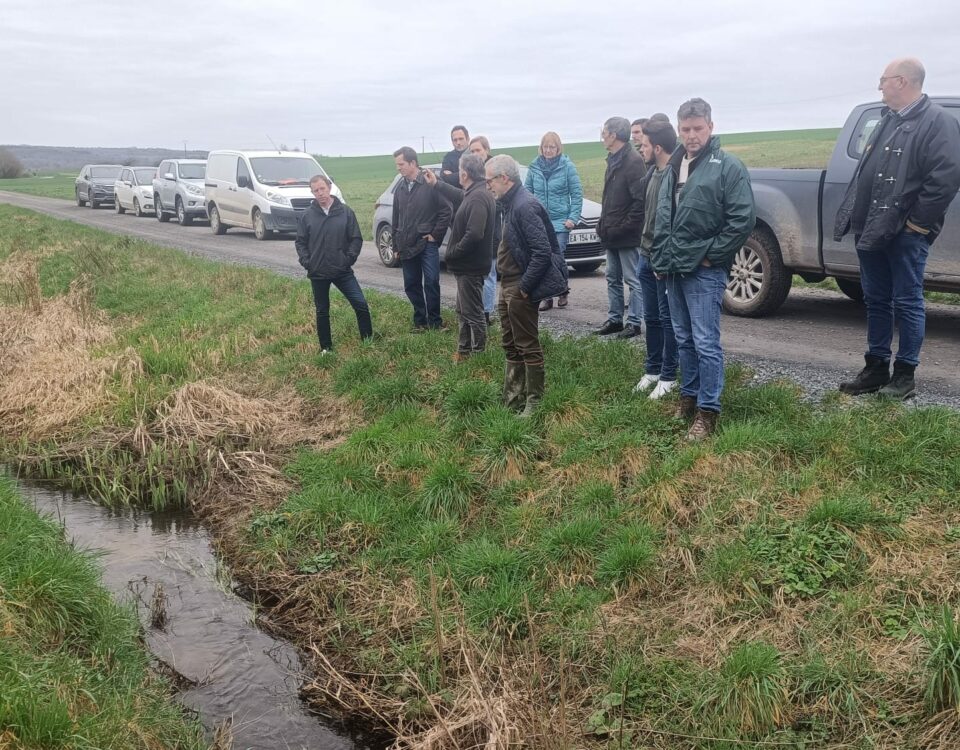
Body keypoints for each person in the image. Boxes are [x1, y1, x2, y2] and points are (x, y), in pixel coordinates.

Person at [834, 57, 960, 399]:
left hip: (905, 233)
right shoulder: (888, 119)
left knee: (907, 301)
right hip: (873, 228)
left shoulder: (938, 123)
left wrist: (917, 225)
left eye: (884, 79)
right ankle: (876, 369)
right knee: (876, 300)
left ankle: (904, 376)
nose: (880, 86)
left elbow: (945, 180)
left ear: (902, 82)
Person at [650, 98, 755, 440]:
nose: (692, 135)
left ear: (711, 127)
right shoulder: (673, 166)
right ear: (678, 130)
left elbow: (742, 219)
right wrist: (660, 260)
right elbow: (664, 217)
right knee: (683, 339)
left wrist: (712, 256)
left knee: (706, 341)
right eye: (686, 129)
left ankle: (708, 413)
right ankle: (688, 398)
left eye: (698, 128)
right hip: (674, 269)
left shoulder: (727, 166)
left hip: (704, 270)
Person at [484, 154, 568, 417]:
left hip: (519, 285)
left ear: (504, 178)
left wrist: (524, 288)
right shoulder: (509, 205)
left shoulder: (524, 206)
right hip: (507, 283)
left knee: (527, 343)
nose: (488, 186)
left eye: (490, 181)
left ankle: (534, 402)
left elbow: (542, 252)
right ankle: (512, 396)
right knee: (509, 342)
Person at [423, 153, 496, 360]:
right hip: (466, 267)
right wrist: (437, 183)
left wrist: (452, 252)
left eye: (459, 172)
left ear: (464, 174)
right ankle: (464, 351)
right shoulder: (475, 192)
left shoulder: (479, 197)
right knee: (463, 311)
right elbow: (458, 195)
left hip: (470, 267)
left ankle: (479, 357)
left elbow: (474, 233)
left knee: (473, 313)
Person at [295, 175, 372, 353]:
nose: (320, 193)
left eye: (322, 188)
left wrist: (348, 259)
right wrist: (308, 262)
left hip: (342, 270)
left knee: (360, 304)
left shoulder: (345, 212)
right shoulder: (307, 216)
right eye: (316, 190)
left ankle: (368, 342)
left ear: (329, 187)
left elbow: (356, 238)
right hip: (318, 272)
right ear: (312, 192)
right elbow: (300, 242)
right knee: (322, 311)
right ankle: (326, 349)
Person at [633, 119, 679, 400]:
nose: (641, 148)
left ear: (658, 147)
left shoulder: (675, 176)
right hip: (644, 255)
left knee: (667, 318)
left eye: (645, 144)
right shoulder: (651, 173)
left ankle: (669, 375)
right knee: (650, 316)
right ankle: (651, 370)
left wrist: (664, 259)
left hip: (663, 261)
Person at [595, 116, 647, 339]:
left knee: (633, 280)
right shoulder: (613, 159)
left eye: (604, 133)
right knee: (612, 278)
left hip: (627, 235)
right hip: (611, 232)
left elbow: (639, 202)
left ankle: (634, 322)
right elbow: (610, 198)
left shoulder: (633, 161)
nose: (602, 137)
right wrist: (603, 223)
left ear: (613, 135)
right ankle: (615, 319)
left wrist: (623, 227)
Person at [392, 146, 451, 331]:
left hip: (427, 243)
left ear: (412, 163)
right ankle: (420, 321)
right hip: (406, 243)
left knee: (432, 281)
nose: (398, 168)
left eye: (401, 164)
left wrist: (435, 235)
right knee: (411, 283)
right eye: (397, 165)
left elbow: (446, 210)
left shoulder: (429, 182)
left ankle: (435, 322)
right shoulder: (400, 187)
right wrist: (395, 244)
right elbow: (396, 217)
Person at [524, 131, 582, 311]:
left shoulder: (567, 167)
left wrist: (572, 218)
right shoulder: (534, 168)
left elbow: (577, 194)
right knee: (543, 257)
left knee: (557, 257)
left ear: (558, 148)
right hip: (541, 222)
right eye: (545, 147)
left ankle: (562, 290)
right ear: (541, 148)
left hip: (560, 222)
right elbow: (526, 193)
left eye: (552, 147)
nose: (548, 150)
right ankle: (547, 296)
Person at [469, 136, 499, 326]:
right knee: (475, 277)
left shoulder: (495, 172)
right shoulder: (473, 173)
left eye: (478, 150)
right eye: (471, 151)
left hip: (493, 233)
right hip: (475, 232)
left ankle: (486, 313)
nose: (475, 154)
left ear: (487, 150)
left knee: (489, 276)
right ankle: (476, 310)